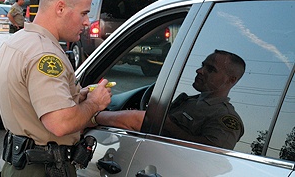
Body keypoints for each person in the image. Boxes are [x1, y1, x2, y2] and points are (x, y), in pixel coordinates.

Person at [0, 0, 112, 176]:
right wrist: (94, 103)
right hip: (43, 169)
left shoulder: (17, 41)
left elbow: (28, 102)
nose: (86, 21)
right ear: (60, 8)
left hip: (17, 163)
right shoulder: (45, 55)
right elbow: (60, 123)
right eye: (84, 13)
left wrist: (77, 96)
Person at [91, 49, 246, 150]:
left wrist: (92, 116)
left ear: (231, 80)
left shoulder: (226, 118)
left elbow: (210, 155)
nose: (200, 70)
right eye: (202, 65)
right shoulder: (191, 101)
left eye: (211, 69)